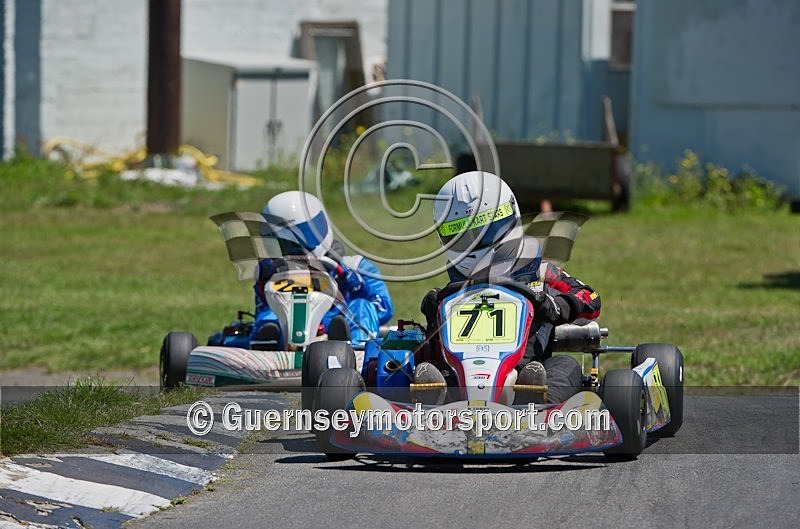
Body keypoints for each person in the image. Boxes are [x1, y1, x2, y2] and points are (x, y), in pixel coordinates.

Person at [417, 171, 601, 404]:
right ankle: (433, 403)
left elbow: (590, 297)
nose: (476, 244)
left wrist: (554, 306)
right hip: (462, 375)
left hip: (528, 369)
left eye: (486, 231)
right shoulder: (453, 287)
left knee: (565, 366)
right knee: (432, 370)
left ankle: (538, 407)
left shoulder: (539, 272)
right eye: (462, 235)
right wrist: (435, 312)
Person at [250, 190, 393, 348]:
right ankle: (266, 348)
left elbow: (384, 309)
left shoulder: (357, 266)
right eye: (284, 243)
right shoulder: (272, 272)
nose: (294, 250)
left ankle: (355, 349)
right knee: (270, 315)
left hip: (337, 325)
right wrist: (263, 284)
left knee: (361, 306)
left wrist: (356, 285)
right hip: (289, 330)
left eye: (299, 241)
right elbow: (261, 308)